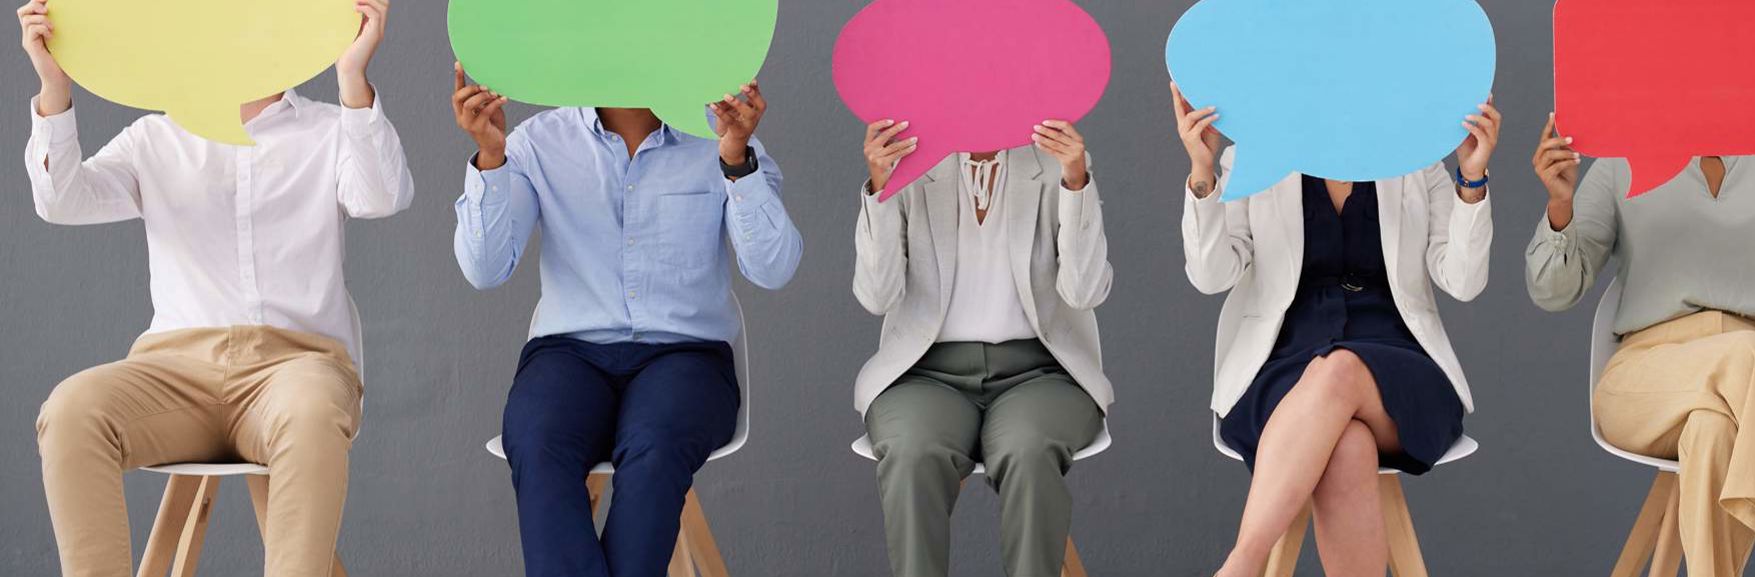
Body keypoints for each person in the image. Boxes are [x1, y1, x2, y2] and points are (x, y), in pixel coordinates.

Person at [19, 0, 412, 574]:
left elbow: (381, 196)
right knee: (71, 409)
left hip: (295, 369)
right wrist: (54, 87)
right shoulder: (155, 137)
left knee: (309, 412)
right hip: (175, 372)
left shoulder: (331, 127)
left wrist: (352, 77)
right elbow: (62, 200)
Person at [448, 65, 801, 577]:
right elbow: (484, 270)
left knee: (655, 446)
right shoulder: (537, 142)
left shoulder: (720, 135)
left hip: (687, 357)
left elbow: (774, 269)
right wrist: (491, 157)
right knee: (536, 437)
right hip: (569, 354)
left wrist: (735, 162)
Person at [1527, 114, 1755, 577]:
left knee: (1713, 429)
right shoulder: (1624, 156)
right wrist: (1561, 204)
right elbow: (1553, 292)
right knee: (1747, 353)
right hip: (1649, 378)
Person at [1171, 82, 1498, 577]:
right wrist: (1203, 174)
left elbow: (1464, 280)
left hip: (1401, 370)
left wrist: (1471, 180)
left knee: (1340, 370)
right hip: (1280, 367)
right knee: (1347, 447)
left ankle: (1242, 564)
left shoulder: (1415, 160)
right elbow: (1211, 276)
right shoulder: (1253, 158)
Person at [851, 115, 1114, 577]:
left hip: (1041, 372)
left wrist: (1075, 182)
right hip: (925, 374)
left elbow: (1086, 293)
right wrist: (882, 187)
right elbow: (877, 296)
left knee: (1028, 450)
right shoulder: (910, 162)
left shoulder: (1054, 160)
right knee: (911, 451)